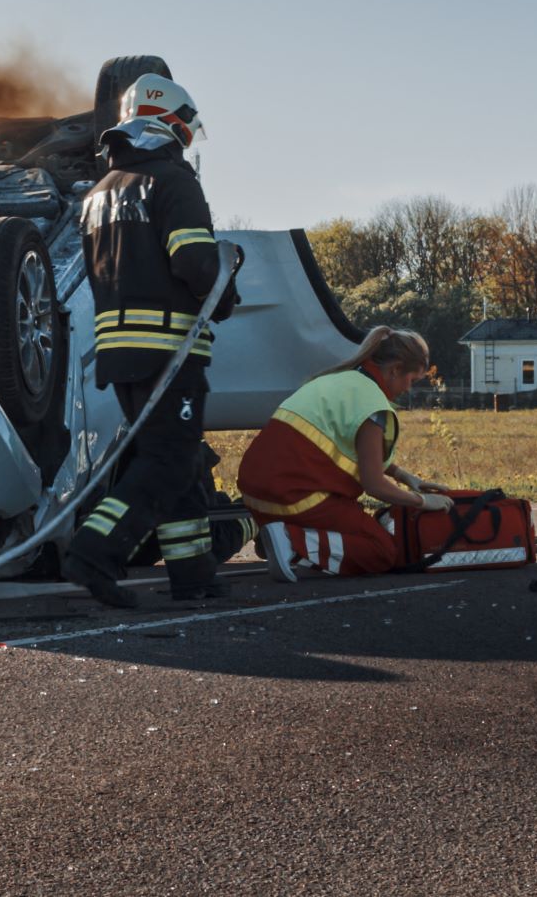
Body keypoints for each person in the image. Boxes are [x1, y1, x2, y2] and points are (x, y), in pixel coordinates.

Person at [60, 74, 242, 607]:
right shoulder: (172, 181)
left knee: (176, 463)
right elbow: (193, 260)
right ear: (169, 124)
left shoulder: (99, 194)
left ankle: (193, 576)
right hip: (169, 348)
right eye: (186, 130)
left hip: (118, 351)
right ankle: (93, 552)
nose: (187, 141)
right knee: (167, 461)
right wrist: (225, 291)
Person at [235, 327, 449, 581]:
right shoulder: (373, 407)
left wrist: (404, 476)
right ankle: (291, 542)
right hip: (293, 498)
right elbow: (374, 486)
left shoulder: (338, 380)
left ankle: (276, 535)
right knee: (381, 550)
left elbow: (349, 445)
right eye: (411, 380)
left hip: (255, 493)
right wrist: (421, 501)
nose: (408, 389)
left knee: (355, 519)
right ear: (395, 369)